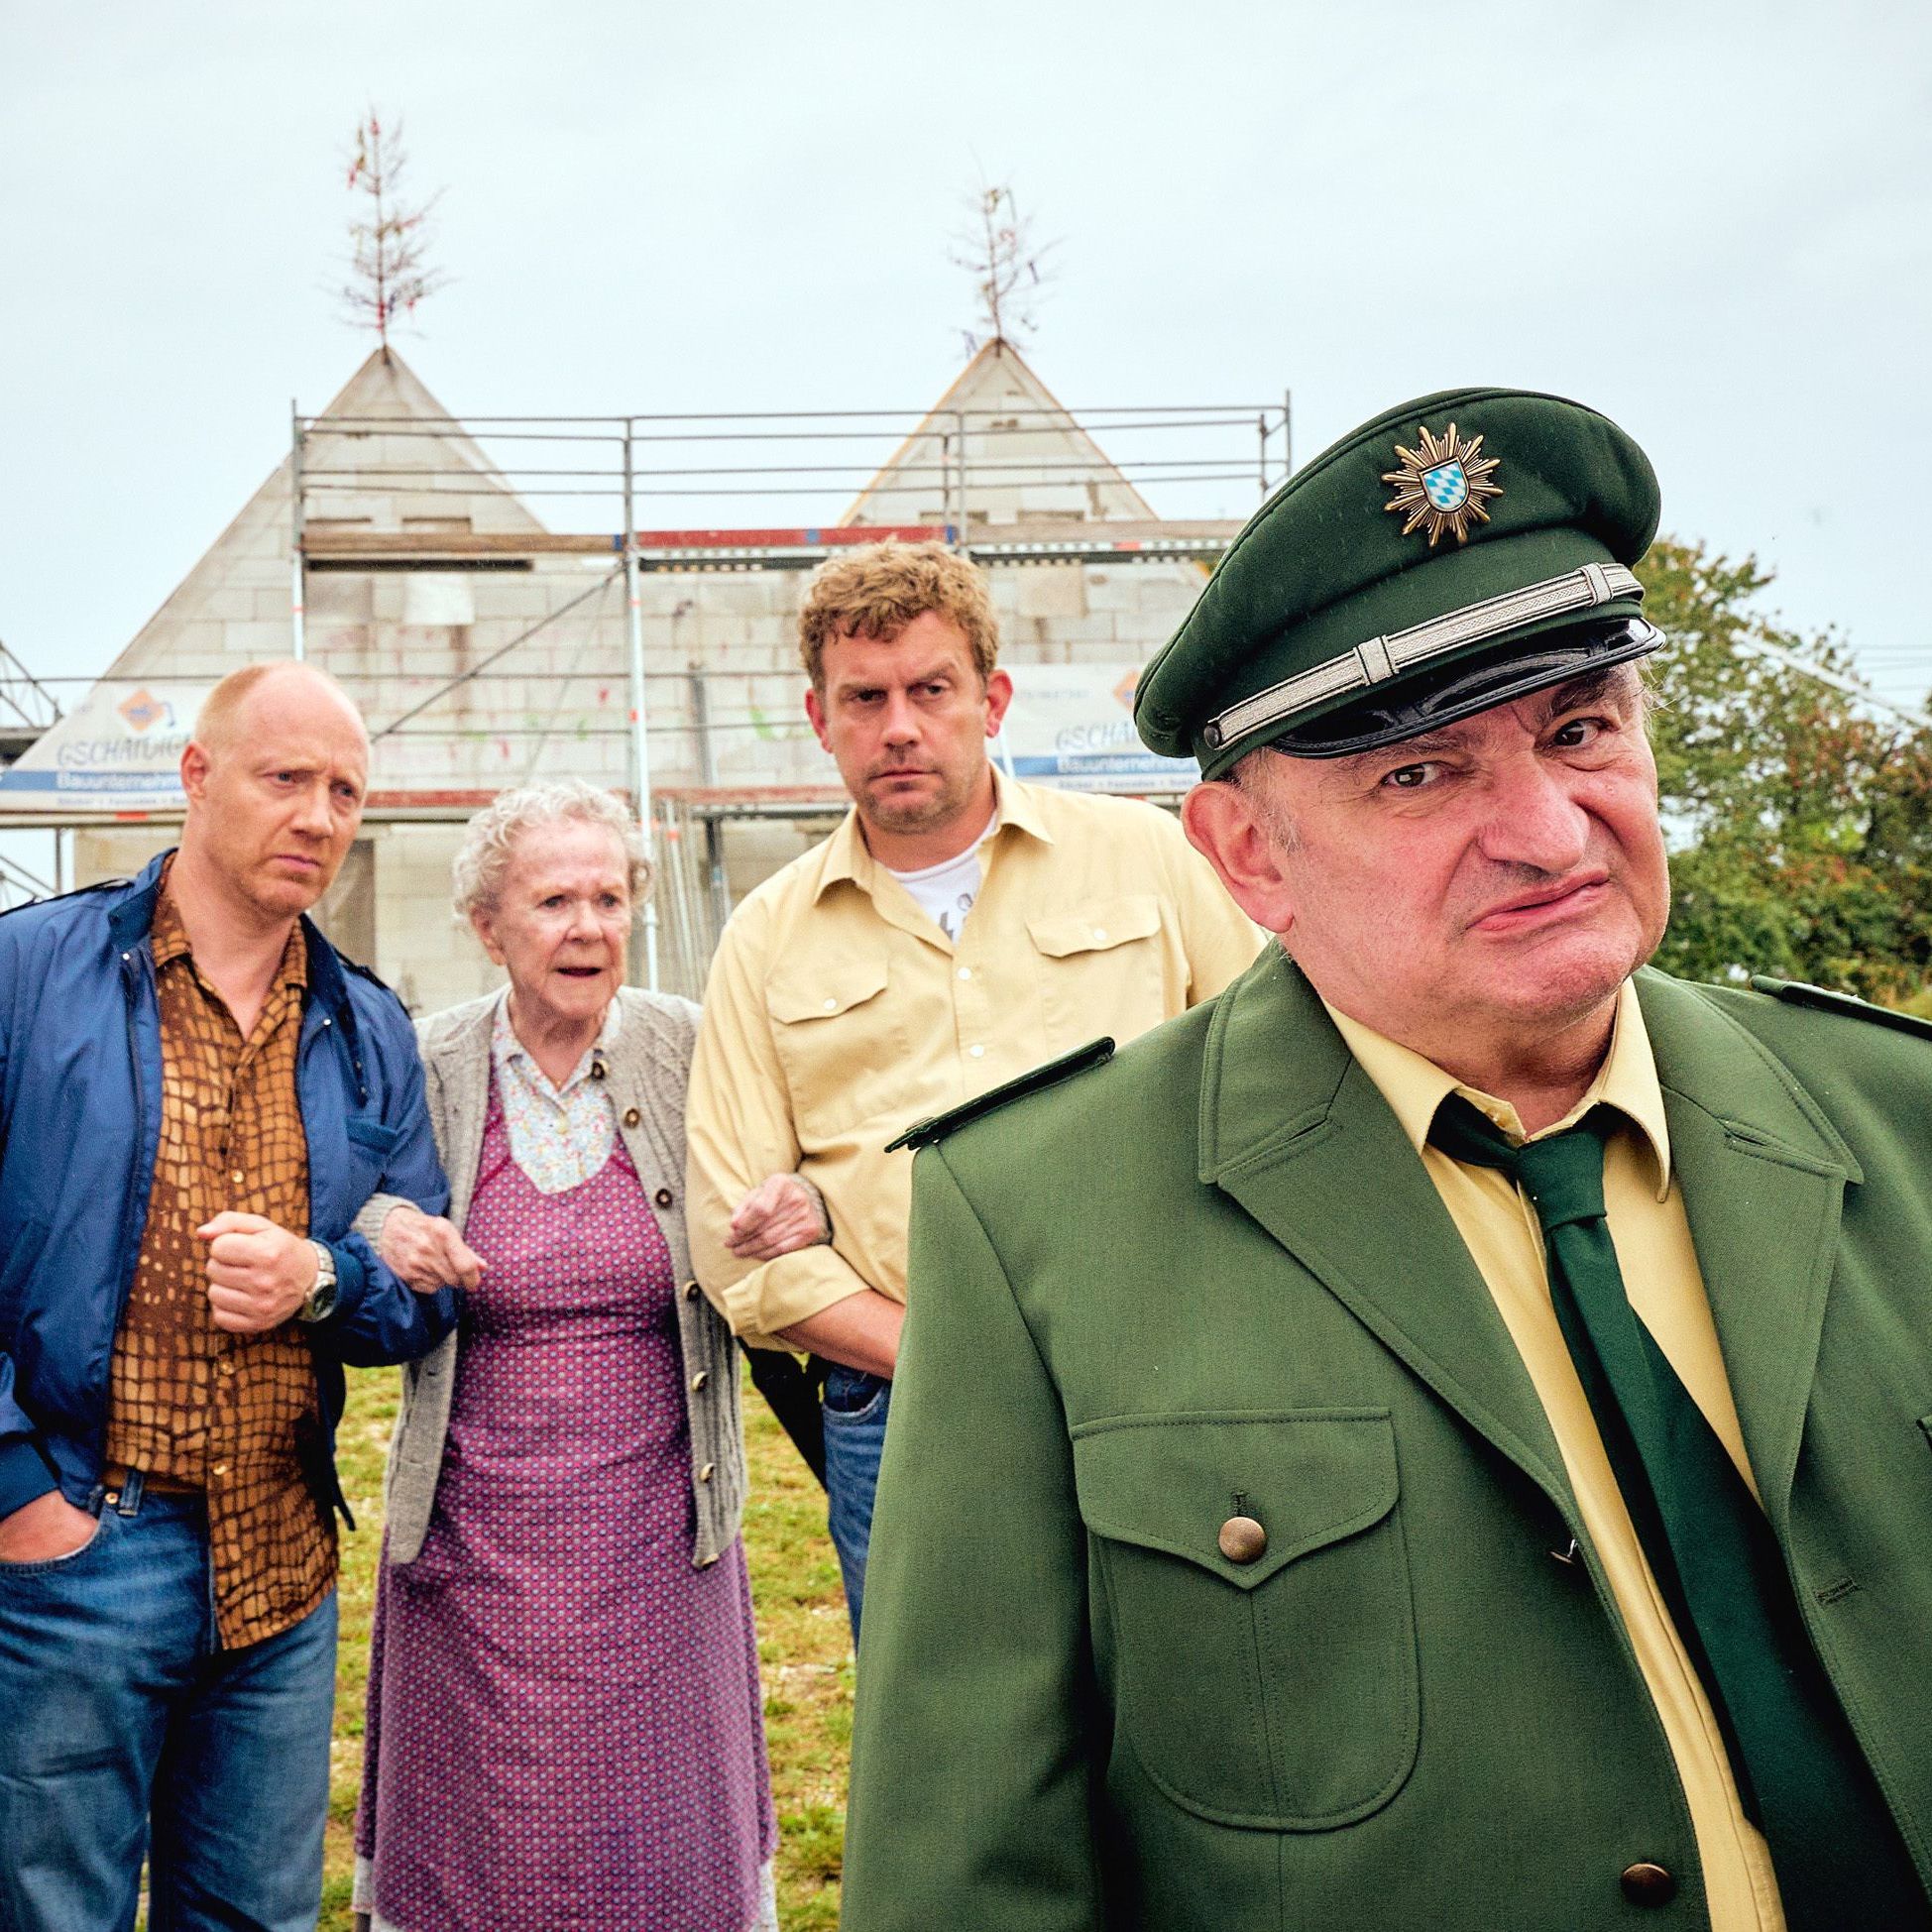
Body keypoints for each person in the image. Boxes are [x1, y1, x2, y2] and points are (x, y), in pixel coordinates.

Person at [841, 390, 1932, 1930]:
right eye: (1420, 774)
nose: (1550, 832)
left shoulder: (1898, 1123)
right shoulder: (1034, 1228)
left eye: (1580, 729)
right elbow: (969, 1876)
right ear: (1244, 855)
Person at [686, 541, 1261, 1639]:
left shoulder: (1150, 862)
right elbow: (735, 1246)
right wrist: (943, 1350)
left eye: (929, 689)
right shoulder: (766, 939)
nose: (898, 725)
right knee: (954, 1741)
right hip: (900, 1408)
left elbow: (1274, 1090)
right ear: (819, 718)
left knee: (1194, 1698)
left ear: (990, 699)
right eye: (864, 697)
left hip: (1156, 1370)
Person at [0, 660, 459, 1932]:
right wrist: (16, 1497)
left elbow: (418, 1296)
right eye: (286, 778)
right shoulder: (31, 973)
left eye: (347, 790)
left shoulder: (368, 1027)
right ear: (195, 775)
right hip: (75, 1544)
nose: (319, 815)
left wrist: (324, 1281)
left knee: (255, 1916)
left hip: (280, 1566)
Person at [351, 780, 816, 1932]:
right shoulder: (427, 1060)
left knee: (661, 1829)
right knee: (479, 1839)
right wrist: (379, 1228)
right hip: (469, 1539)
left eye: (608, 896)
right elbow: (339, 1203)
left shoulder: (689, 1044)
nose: (587, 926)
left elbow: (798, 1169)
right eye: (552, 899)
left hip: (660, 1531)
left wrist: (798, 1201)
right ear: (487, 925)